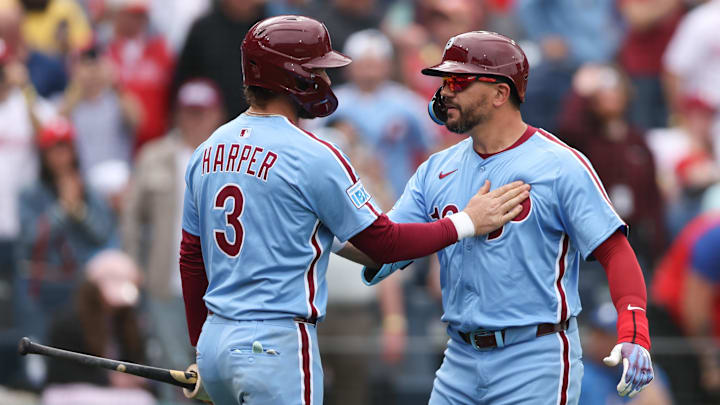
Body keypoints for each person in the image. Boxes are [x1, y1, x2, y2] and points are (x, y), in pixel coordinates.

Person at [179, 16, 529, 405]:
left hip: (214, 341)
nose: (327, 82)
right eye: (318, 72)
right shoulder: (313, 153)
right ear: (292, 77)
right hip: (273, 343)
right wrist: (467, 221)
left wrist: (199, 348)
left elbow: (192, 258)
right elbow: (384, 243)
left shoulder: (208, 148)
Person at [353, 31, 654, 404]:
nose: (446, 91)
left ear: (500, 93)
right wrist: (322, 223)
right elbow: (383, 246)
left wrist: (634, 331)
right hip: (459, 357)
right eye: (445, 81)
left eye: (459, 80)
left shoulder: (560, 165)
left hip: (533, 356)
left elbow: (615, 250)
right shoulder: (436, 169)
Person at [122, 78, 225, 401]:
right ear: (178, 114)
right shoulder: (154, 155)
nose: (195, 120)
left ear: (217, 115)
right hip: (166, 283)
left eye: (202, 112)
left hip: (219, 289)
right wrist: (132, 264)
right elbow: (131, 216)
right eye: (189, 112)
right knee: (171, 369)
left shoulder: (229, 156)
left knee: (218, 373)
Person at [650, 212, 720, 404]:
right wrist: (710, 364)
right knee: (693, 393)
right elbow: (695, 310)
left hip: (705, 327)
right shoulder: (716, 238)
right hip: (673, 319)